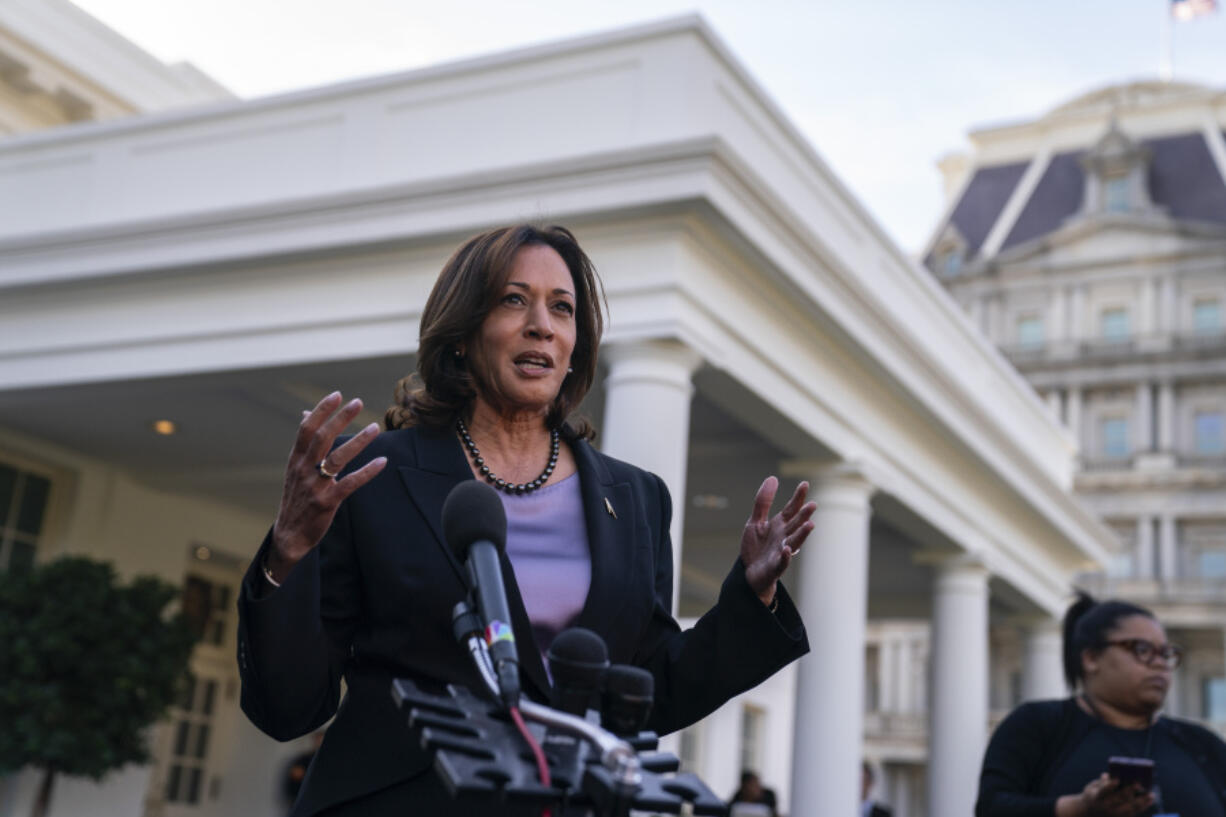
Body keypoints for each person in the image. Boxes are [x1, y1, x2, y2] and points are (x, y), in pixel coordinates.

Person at [237, 224, 816, 816]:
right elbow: (290, 708)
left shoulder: (636, 498)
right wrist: (287, 553)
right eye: (514, 300)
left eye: (561, 309)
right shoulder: (377, 477)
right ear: (463, 335)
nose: (542, 323)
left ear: (573, 348)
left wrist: (753, 597)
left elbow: (647, 692)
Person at [975, 591, 1226, 817]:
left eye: (1166, 654)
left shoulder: (1202, 745)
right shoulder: (1039, 725)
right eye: (1142, 649)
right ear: (1091, 658)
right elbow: (991, 808)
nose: (1159, 663)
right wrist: (1078, 808)